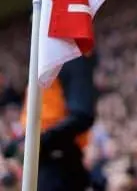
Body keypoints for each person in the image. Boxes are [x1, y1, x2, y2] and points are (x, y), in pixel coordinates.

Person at [18, 55, 97, 191]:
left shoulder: (69, 58)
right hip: (40, 162)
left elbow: (82, 114)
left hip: (60, 163)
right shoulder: (41, 64)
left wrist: (40, 141)